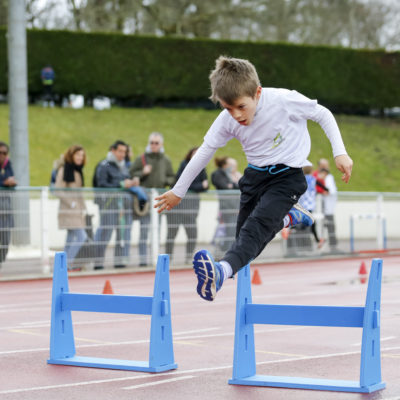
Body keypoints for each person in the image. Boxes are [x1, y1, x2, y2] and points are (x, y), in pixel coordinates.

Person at [155, 56, 353, 302]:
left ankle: (220, 272)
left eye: (241, 106)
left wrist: (340, 151)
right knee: (245, 240)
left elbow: (322, 114)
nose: (236, 115)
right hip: (255, 177)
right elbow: (205, 151)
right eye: (228, 108)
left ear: (257, 93)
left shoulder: (284, 100)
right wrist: (178, 191)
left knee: (255, 229)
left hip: (287, 176)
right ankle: (289, 218)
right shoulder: (227, 120)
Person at [130, 132, 175, 266]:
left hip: (159, 198)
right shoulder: (141, 158)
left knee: (157, 229)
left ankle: (156, 257)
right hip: (145, 199)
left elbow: (172, 176)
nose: (154, 145)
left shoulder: (166, 160)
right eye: (152, 143)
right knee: (144, 230)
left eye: (156, 143)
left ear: (161, 144)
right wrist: (142, 173)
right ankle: (143, 260)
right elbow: (131, 173)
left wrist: (165, 181)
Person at [93, 140, 139, 269]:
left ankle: (120, 262)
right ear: (113, 150)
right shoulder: (103, 165)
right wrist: (121, 185)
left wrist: (132, 183)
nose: (123, 154)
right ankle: (98, 263)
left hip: (124, 207)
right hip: (109, 206)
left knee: (123, 234)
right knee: (104, 234)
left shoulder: (124, 166)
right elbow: (101, 185)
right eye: (120, 151)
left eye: (124, 151)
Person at [165, 147, 208, 263]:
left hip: (191, 209)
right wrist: (200, 186)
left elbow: (206, 185)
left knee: (192, 234)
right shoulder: (184, 165)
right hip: (177, 208)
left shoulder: (201, 168)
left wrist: (201, 186)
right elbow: (184, 184)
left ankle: (189, 257)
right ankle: (167, 258)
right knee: (172, 234)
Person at [54, 145, 88, 270]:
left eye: (82, 155)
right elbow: (57, 190)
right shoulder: (65, 170)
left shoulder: (77, 171)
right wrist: (71, 203)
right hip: (69, 210)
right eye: (78, 154)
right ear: (71, 155)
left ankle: (62, 265)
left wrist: (83, 207)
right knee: (81, 236)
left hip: (77, 211)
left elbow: (79, 192)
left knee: (70, 238)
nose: (80, 157)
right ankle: (68, 263)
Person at [211, 156, 240, 254]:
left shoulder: (235, 175)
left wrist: (233, 184)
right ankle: (226, 252)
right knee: (228, 230)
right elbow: (226, 186)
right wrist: (232, 184)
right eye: (230, 165)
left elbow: (237, 186)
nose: (232, 167)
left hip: (236, 206)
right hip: (227, 207)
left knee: (233, 230)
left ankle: (230, 251)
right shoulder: (219, 174)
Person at [298, 165, 326, 248]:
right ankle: (291, 229)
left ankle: (318, 240)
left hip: (302, 203)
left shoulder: (301, 178)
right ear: (311, 171)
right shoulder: (313, 179)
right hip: (309, 204)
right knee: (308, 223)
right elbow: (320, 185)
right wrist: (327, 190)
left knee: (311, 222)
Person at [0, 142, 17, 269]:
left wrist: (11, 182)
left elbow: (11, 180)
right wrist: (4, 182)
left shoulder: (8, 164)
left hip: (5, 209)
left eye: (4, 153)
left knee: (5, 241)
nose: (2, 155)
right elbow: (5, 181)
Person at [318, 158, 339, 253]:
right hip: (321, 207)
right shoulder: (319, 177)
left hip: (328, 208)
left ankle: (332, 246)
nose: (326, 168)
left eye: (327, 165)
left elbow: (331, 191)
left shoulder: (328, 177)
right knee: (322, 227)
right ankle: (323, 247)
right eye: (324, 166)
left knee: (330, 227)